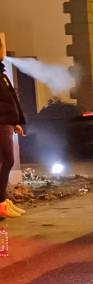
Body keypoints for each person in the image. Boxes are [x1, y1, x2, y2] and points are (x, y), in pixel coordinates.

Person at [0, 34, 26, 220]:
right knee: (6, 160)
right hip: (1, 123)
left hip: (7, 123)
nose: (3, 49)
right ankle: (1, 203)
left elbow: (11, 100)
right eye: (1, 45)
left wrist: (17, 121)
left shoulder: (2, 73)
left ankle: (3, 200)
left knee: (6, 160)